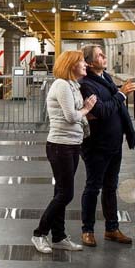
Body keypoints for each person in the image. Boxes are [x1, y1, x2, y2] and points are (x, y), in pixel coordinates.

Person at [31, 50, 96, 253]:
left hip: (72, 144)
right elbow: (70, 116)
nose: (85, 64)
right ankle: (39, 234)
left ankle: (58, 236)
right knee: (66, 194)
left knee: (60, 192)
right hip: (60, 146)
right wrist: (86, 108)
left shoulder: (73, 86)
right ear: (71, 65)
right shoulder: (61, 85)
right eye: (81, 62)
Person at [78, 44, 135, 247]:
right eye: (99, 55)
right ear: (89, 62)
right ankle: (87, 230)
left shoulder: (107, 79)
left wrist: (118, 97)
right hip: (96, 145)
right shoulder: (86, 84)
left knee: (111, 187)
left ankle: (112, 228)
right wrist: (121, 95)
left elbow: (110, 107)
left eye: (103, 54)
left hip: (114, 144)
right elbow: (103, 111)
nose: (104, 57)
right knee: (93, 187)